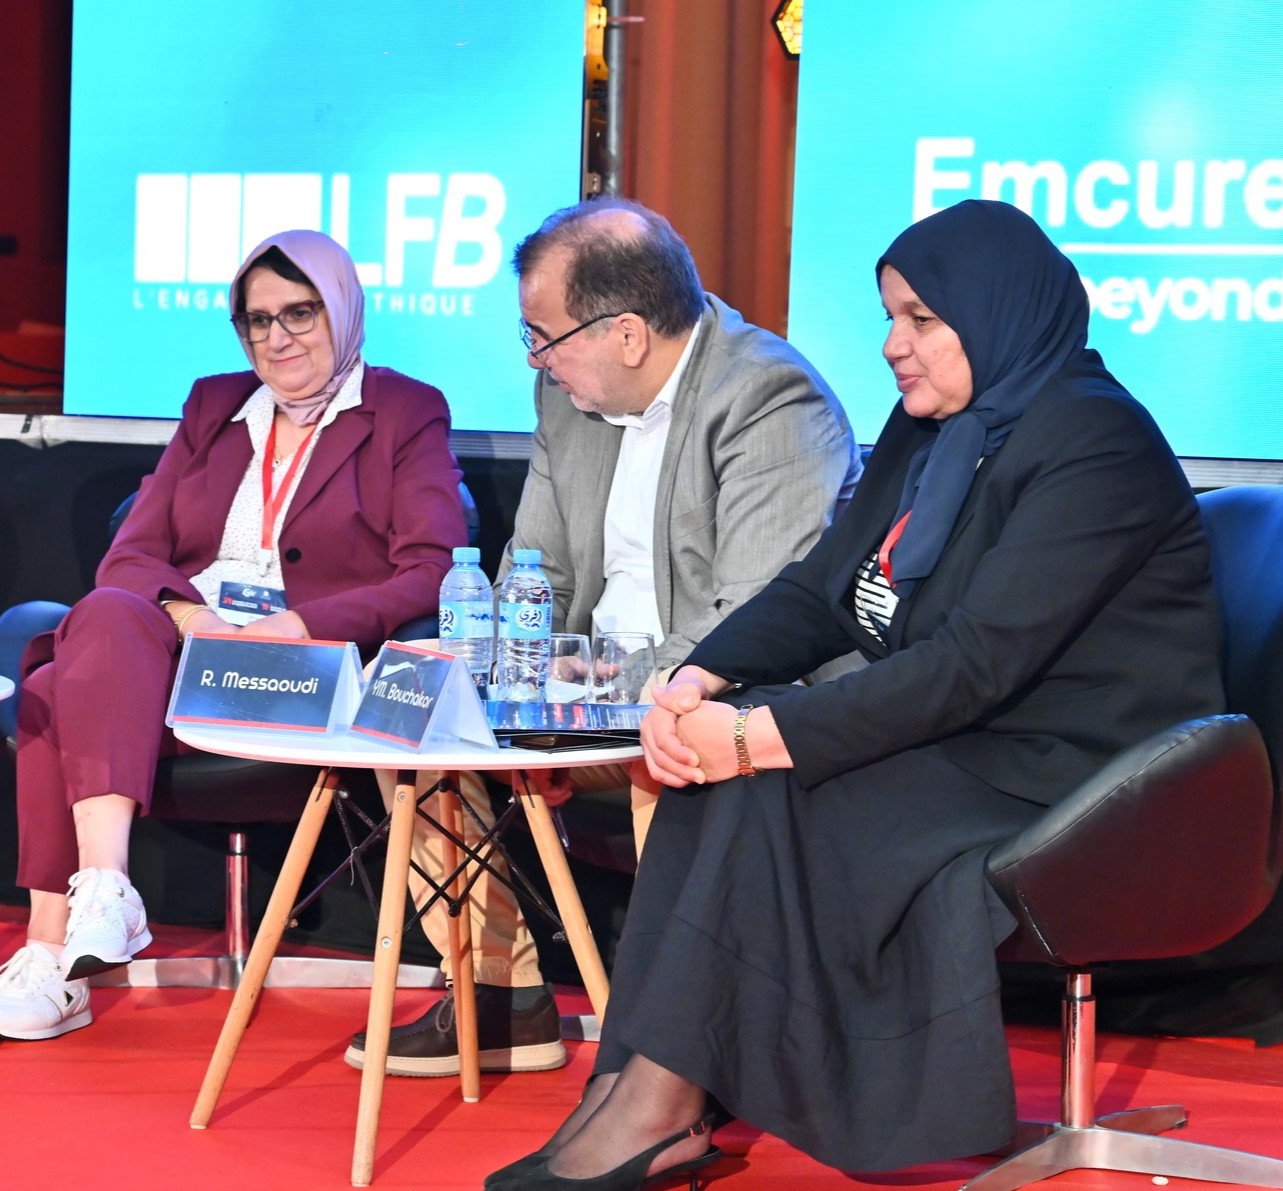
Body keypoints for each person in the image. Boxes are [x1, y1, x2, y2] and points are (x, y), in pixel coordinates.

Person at [485, 198, 1225, 1189]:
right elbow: (818, 587)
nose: (890, 345)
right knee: (722, 787)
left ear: (994, 311)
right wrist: (695, 679)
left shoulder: (1095, 441)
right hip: (972, 737)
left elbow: (973, 663)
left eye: (920, 318)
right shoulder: (935, 429)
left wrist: (752, 736)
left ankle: (662, 1103)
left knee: (770, 787)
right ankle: (643, 1085)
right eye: (888, 317)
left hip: (1081, 773)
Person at [353, 199, 861, 1078]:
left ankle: (673, 1050)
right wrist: (490, 675)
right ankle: (500, 992)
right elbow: (536, 576)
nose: (534, 359)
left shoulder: (768, 399)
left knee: (674, 735)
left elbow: (750, 623)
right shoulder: (566, 396)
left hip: (722, 698)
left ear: (626, 334)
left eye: (542, 336)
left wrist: (583, 692)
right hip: (585, 696)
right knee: (420, 720)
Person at [0, 228, 467, 1041]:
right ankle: (103, 889)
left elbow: (430, 569)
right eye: (256, 320)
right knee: (108, 609)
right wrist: (190, 618)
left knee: (50, 688)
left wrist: (301, 623)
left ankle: (51, 945)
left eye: (299, 313)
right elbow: (130, 554)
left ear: (342, 308)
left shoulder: (403, 411)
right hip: (185, 651)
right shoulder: (215, 405)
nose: (277, 338)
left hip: (299, 665)